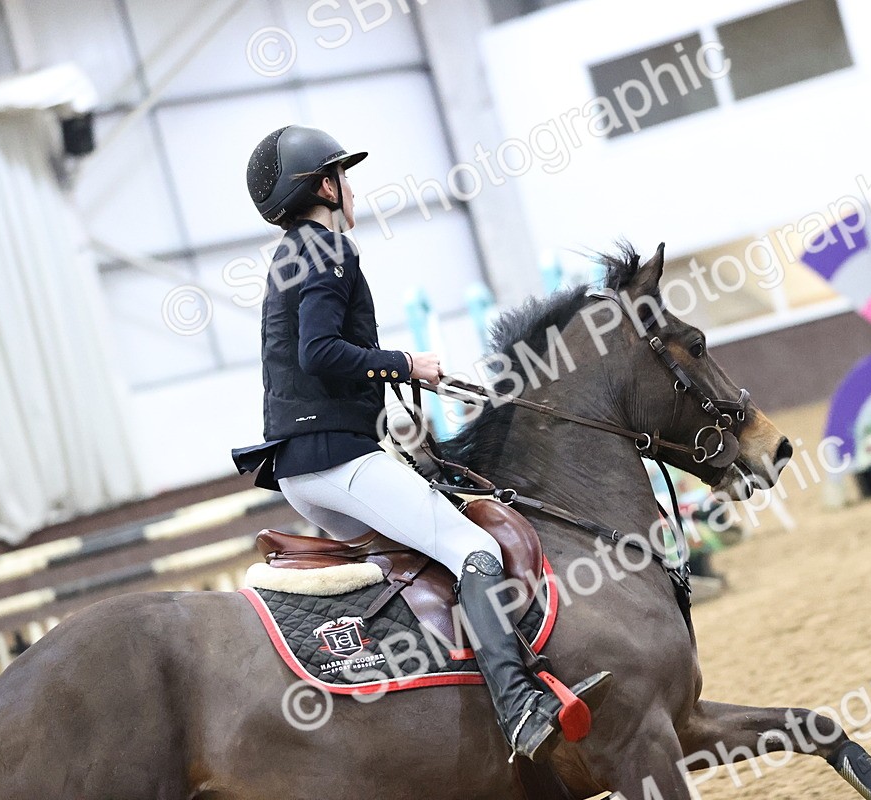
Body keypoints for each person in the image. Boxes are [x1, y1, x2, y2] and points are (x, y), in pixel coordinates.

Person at [232, 125, 609, 762]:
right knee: (472, 546)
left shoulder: (289, 256)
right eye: (343, 178)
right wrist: (406, 364)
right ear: (326, 186)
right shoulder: (329, 249)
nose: (350, 191)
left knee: (420, 558)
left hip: (303, 467)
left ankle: (435, 695)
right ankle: (518, 706)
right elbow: (318, 352)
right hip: (335, 460)